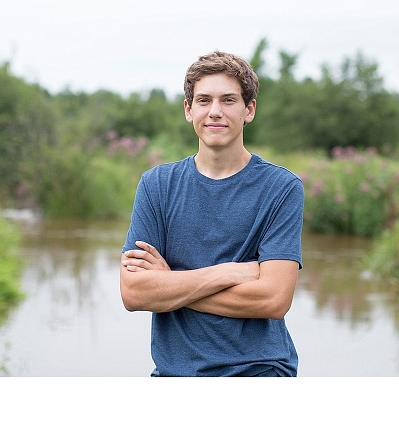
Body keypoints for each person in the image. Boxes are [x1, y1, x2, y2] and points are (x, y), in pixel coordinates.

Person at [120, 50, 304, 377]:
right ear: (188, 110)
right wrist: (227, 273)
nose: (215, 111)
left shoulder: (281, 187)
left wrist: (169, 283)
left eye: (228, 100)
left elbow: (273, 300)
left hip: (259, 371)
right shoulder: (156, 185)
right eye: (204, 100)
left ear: (249, 110)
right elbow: (134, 293)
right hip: (173, 374)